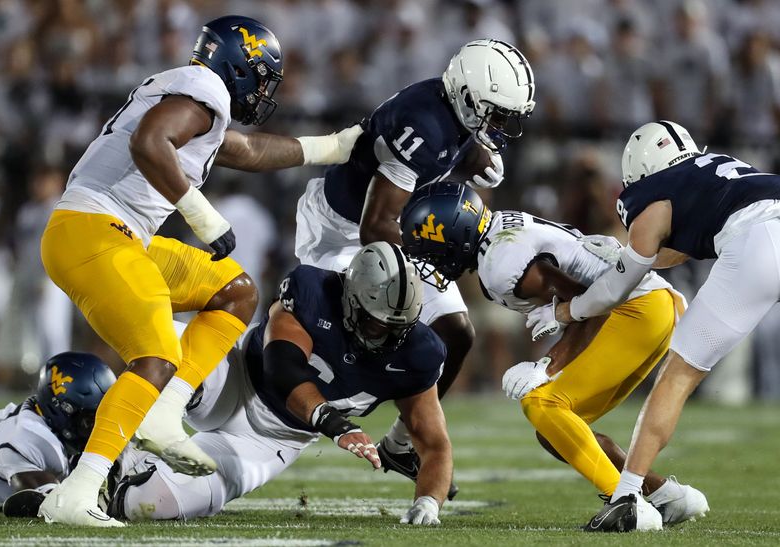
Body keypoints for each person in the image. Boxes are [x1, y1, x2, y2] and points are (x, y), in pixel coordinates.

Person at [38, 15, 362, 527]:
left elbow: (245, 149)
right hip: (93, 229)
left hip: (115, 234)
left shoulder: (194, 99)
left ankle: (167, 411)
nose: (263, 90)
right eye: (261, 75)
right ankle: (76, 493)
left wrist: (331, 147)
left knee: (235, 291)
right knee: (156, 355)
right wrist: (201, 215)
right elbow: (149, 142)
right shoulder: (202, 86)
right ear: (237, 66)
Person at [294, 38, 535, 494]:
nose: (502, 125)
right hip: (340, 231)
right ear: (467, 99)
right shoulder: (424, 126)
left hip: (385, 222)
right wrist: (411, 281)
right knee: (330, 354)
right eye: (496, 113)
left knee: (456, 332)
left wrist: (468, 154)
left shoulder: (451, 111)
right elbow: (375, 225)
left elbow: (447, 148)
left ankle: (401, 444)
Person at [400, 181, 708, 531]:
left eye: (433, 249)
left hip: (634, 310)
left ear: (457, 235)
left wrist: (548, 365)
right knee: (557, 431)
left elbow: (594, 305)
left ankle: (625, 503)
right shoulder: (498, 236)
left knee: (543, 404)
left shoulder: (500, 262)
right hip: (651, 306)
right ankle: (664, 494)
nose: (431, 260)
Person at [526, 120, 780, 532]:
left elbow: (617, 287)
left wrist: (565, 312)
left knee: (677, 375)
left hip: (757, 244)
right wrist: (625, 254)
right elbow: (677, 251)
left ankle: (627, 494)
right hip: (768, 221)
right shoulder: (713, 170)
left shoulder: (655, 193)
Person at [105, 242, 452, 525]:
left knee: (147, 505)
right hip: (235, 378)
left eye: (398, 329)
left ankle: (130, 474)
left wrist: (429, 502)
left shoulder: (418, 354)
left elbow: (434, 444)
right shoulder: (313, 290)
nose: (386, 338)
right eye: (376, 325)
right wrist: (335, 424)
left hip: (273, 440)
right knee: (161, 352)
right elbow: (282, 368)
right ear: (351, 298)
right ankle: (92, 438)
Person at [0, 353, 115, 517]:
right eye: (90, 420)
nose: (99, 428)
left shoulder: (37, 416)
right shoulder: (29, 440)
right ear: (62, 409)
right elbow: (56, 503)